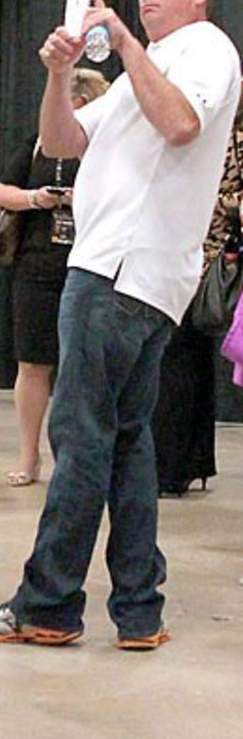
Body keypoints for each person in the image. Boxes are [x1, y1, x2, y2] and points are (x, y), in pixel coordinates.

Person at [0, 0, 241, 650]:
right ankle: (139, 610)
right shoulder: (143, 69)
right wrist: (59, 74)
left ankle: (48, 604)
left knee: (83, 437)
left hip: (120, 271)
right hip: (125, 273)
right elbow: (62, 141)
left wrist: (121, 42)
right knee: (124, 440)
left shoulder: (205, 50)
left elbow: (181, 123)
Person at [0, 68, 109, 486]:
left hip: (91, 263)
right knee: (32, 362)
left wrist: (86, 199)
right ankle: (29, 455)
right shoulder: (37, 143)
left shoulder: (107, 147)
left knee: (85, 365)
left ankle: (78, 456)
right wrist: (35, 198)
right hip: (38, 263)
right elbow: (3, 192)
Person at [150, 117, 243, 496]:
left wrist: (202, 199)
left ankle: (170, 468)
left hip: (204, 257)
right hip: (194, 254)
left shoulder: (226, 138)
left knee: (177, 358)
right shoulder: (214, 135)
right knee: (192, 358)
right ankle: (190, 463)